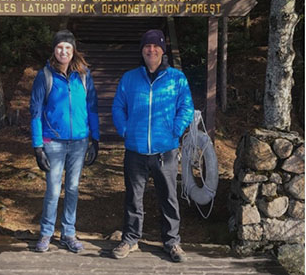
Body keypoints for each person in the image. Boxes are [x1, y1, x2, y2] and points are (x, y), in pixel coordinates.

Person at [111, 29, 194, 262]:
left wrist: (175, 131)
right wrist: (125, 130)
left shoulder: (177, 78)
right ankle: (130, 239)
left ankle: (172, 242)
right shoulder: (129, 78)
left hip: (165, 151)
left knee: (168, 198)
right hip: (135, 150)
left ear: (162, 50)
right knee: (133, 198)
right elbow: (118, 107)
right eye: (147, 46)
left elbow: (186, 107)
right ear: (142, 51)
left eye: (156, 46)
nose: (151, 50)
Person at [30, 29, 100, 253]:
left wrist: (95, 139)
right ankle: (46, 233)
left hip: (79, 142)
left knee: (72, 187)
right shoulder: (45, 75)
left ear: (73, 51)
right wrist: (38, 146)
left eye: (68, 48)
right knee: (52, 189)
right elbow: (35, 112)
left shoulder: (83, 75)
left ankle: (68, 232)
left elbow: (92, 108)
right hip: (54, 142)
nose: (64, 51)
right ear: (54, 49)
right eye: (60, 47)